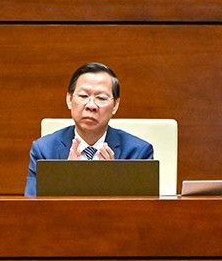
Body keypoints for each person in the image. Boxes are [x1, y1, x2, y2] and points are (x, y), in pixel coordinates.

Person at [24, 62, 155, 197]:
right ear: (69, 100)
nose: (91, 106)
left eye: (101, 98)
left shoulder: (138, 153)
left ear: (115, 105)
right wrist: (65, 180)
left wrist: (113, 182)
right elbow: (33, 211)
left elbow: (144, 213)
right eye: (83, 96)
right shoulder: (44, 151)